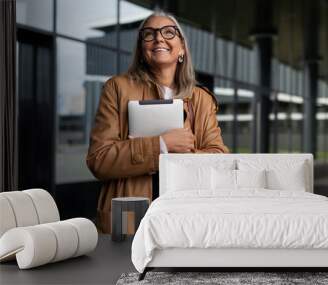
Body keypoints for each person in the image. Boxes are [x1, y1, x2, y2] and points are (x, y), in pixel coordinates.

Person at [86, 11, 229, 233]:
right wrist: (161, 144)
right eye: (149, 34)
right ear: (142, 50)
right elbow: (99, 159)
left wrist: (183, 153)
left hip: (187, 216)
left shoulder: (201, 99)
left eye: (168, 32)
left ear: (181, 48)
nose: (159, 38)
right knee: (126, 267)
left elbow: (220, 161)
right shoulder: (117, 88)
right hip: (129, 216)